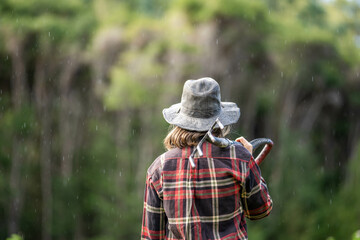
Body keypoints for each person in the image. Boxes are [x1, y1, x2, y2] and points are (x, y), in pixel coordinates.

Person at [141, 77, 272, 240]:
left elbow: (152, 236)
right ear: (219, 120)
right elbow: (260, 210)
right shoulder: (239, 157)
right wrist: (249, 162)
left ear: (181, 120)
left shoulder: (158, 168)